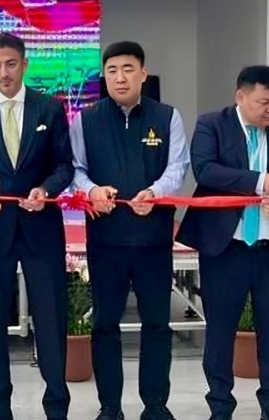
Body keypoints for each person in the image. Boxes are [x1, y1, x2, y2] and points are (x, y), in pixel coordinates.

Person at [178, 65, 269, 420]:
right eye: (263, 102)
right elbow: (206, 170)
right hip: (226, 249)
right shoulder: (212, 125)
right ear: (240, 96)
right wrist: (260, 181)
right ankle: (220, 405)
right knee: (220, 332)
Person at [0, 32, 74, 420]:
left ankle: (57, 407)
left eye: (9, 64)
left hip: (42, 230)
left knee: (51, 322)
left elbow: (64, 166)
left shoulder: (49, 108)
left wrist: (45, 189)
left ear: (24, 64)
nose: (3, 73)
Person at [70, 41, 189, 420]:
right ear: (104, 77)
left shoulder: (167, 117)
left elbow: (178, 166)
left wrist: (155, 192)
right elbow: (75, 169)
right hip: (106, 240)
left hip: (153, 240)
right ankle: (110, 407)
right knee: (105, 325)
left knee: (157, 325)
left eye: (127, 69)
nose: (120, 77)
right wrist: (91, 190)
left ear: (143, 73)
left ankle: (155, 406)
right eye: (112, 71)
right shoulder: (86, 120)